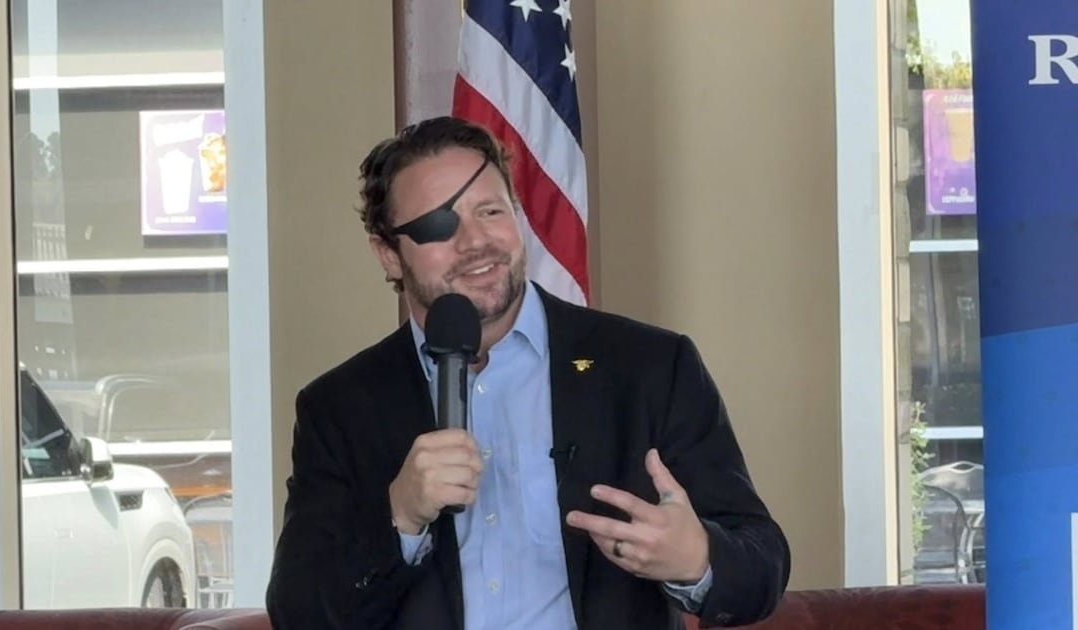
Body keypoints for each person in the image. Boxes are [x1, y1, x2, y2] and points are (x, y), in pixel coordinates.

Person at [265, 117, 789, 629]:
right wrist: (399, 516)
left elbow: (762, 567)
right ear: (389, 255)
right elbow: (299, 612)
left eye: (491, 211)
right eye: (439, 225)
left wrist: (696, 559)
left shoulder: (649, 367)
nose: (475, 242)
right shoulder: (341, 407)